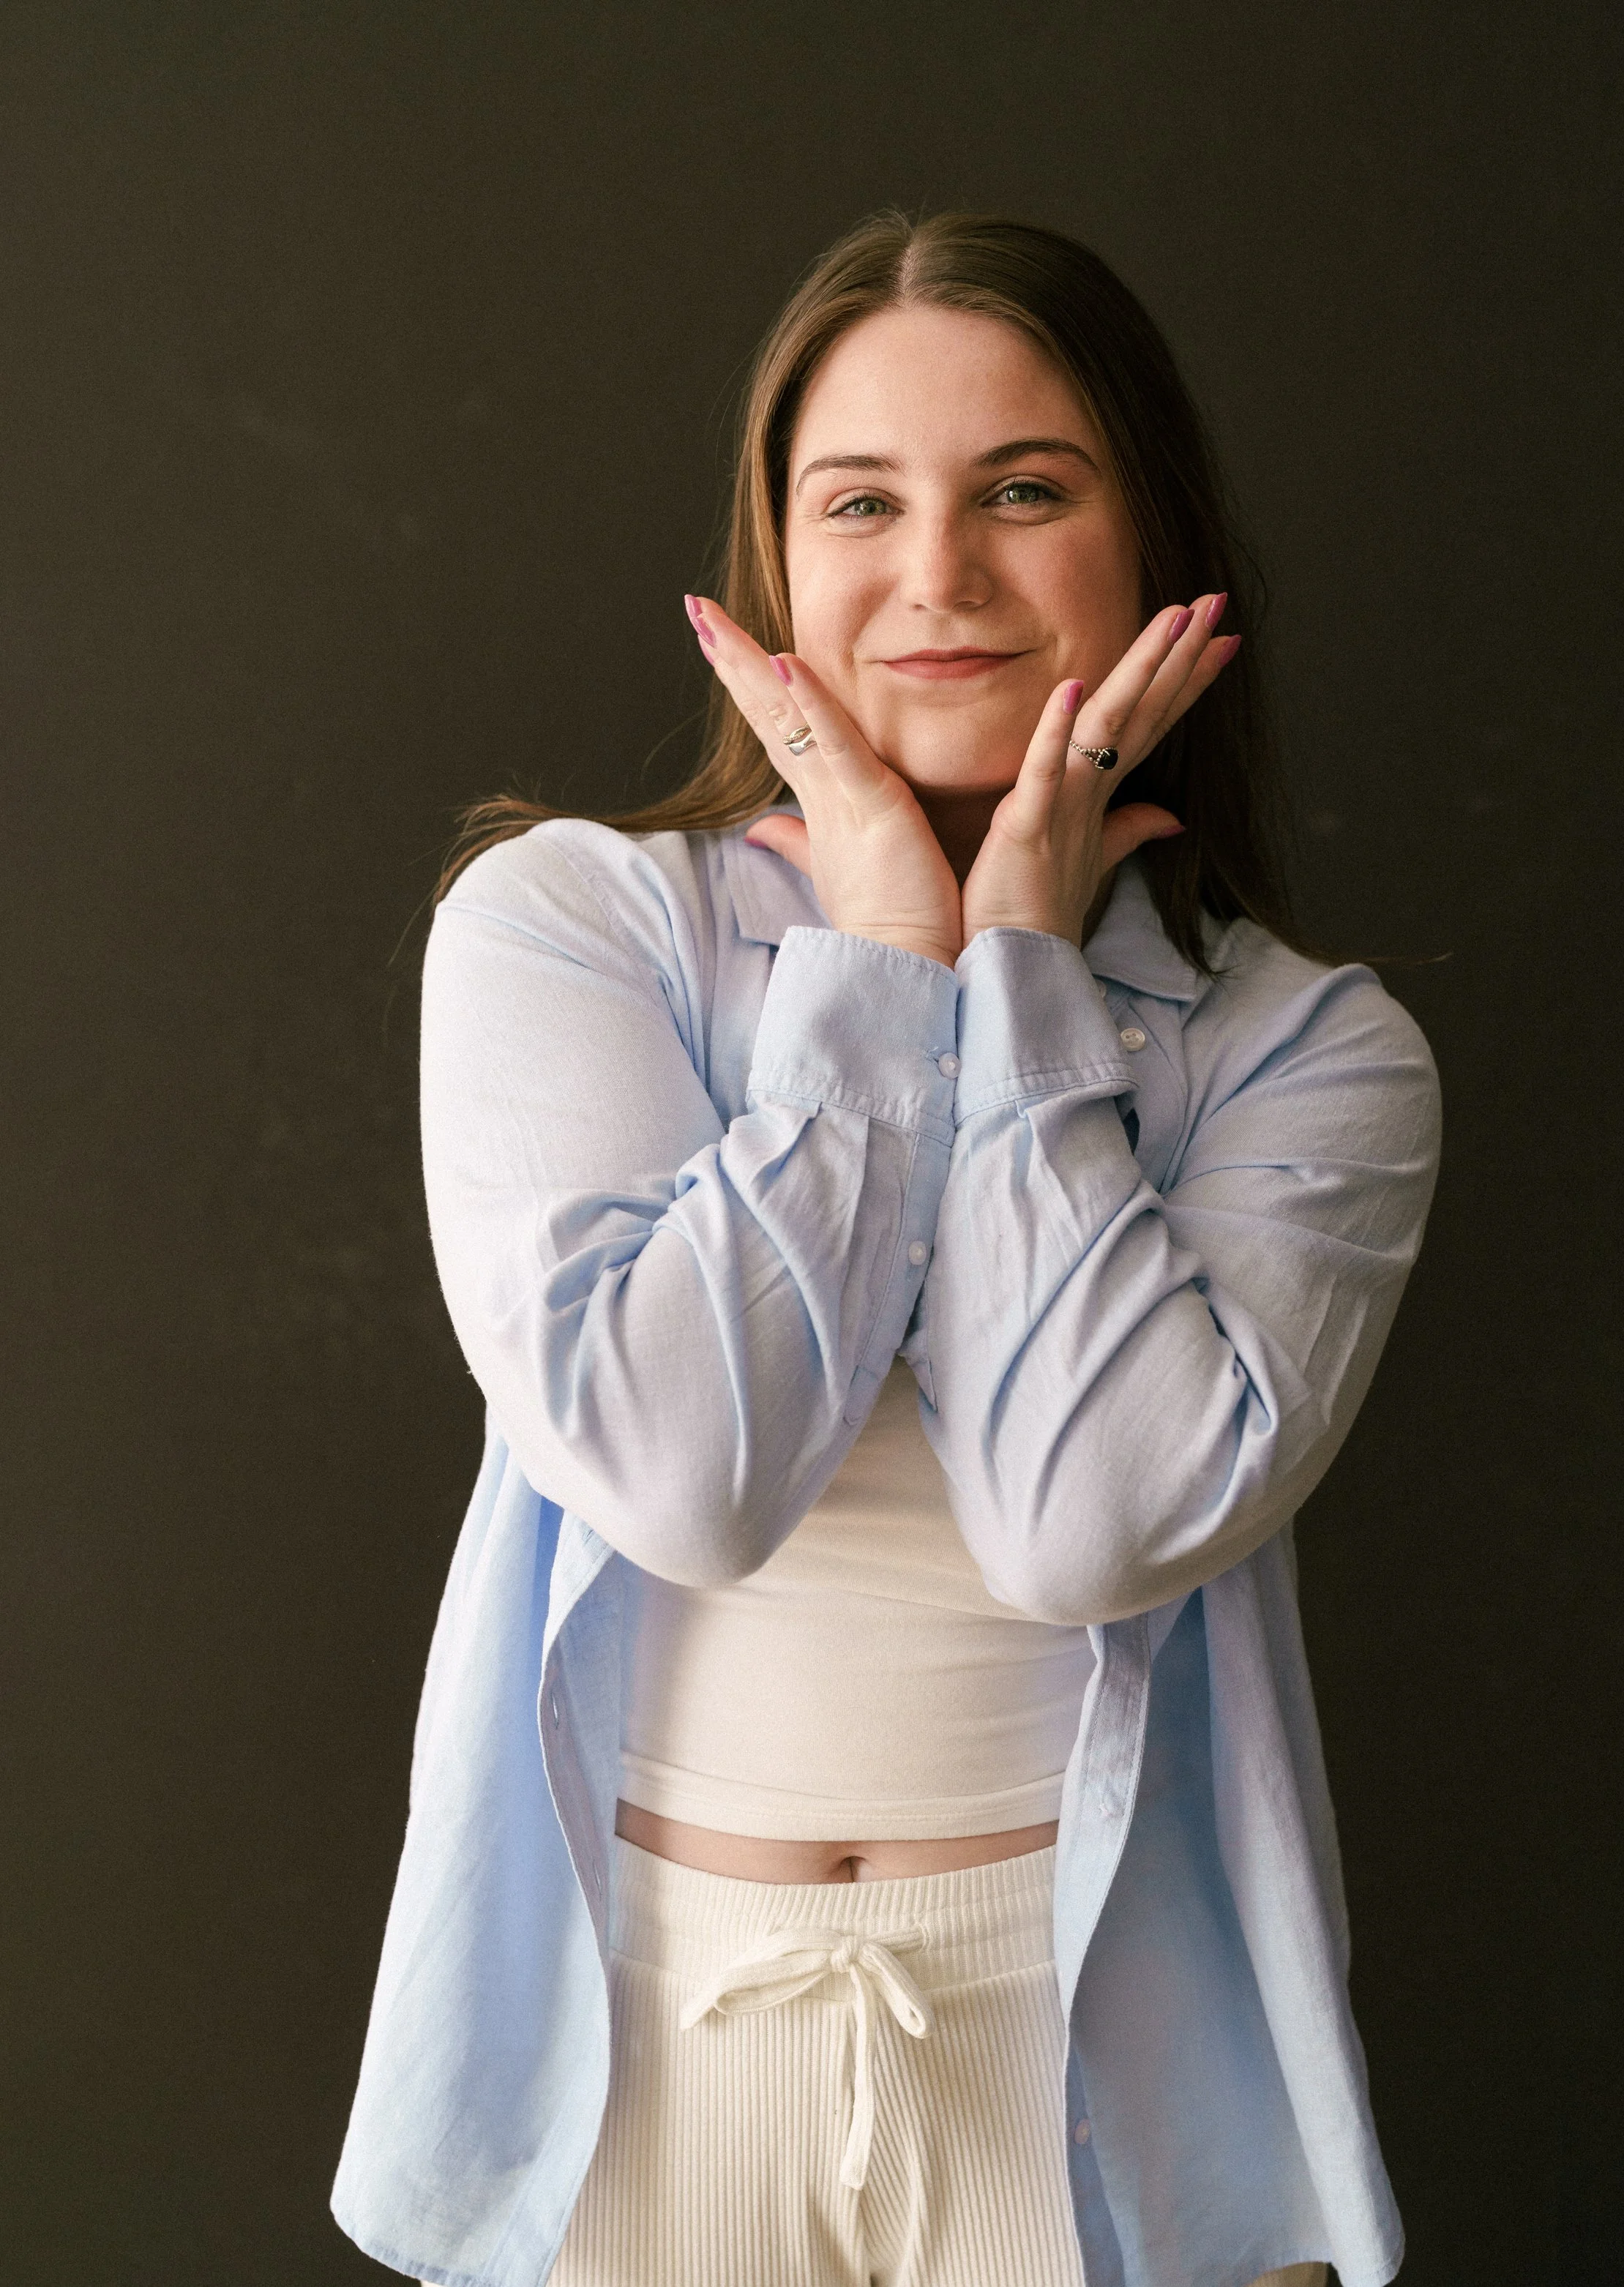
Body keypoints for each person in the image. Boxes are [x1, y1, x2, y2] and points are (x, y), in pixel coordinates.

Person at [332, 211, 1441, 2287]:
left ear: (1152, 544)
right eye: (861, 502)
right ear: (774, 563)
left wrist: (1011, 973)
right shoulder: (572, 931)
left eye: (1025, 490)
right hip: (647, 2053)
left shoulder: (1312, 1049)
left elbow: (1082, 1527)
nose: (936, 575)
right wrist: (875, 970)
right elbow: (683, 1475)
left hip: (1086, 2064)